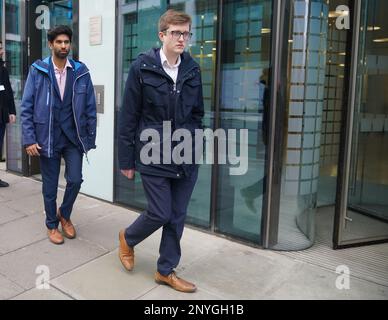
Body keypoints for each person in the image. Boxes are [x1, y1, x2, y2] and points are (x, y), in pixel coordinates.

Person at [118, 9, 204, 293]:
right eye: (176, 33)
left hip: (185, 154)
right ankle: (128, 238)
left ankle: (165, 270)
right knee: (160, 212)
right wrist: (126, 159)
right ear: (162, 35)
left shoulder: (192, 69)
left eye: (186, 33)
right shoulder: (142, 67)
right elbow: (129, 116)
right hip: (152, 152)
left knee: (177, 215)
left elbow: (198, 114)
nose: (182, 38)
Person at [20, 25, 97, 245]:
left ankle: (64, 213)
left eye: (66, 42)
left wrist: (89, 138)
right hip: (47, 137)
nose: (63, 46)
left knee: (75, 179)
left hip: (73, 138)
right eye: (59, 42)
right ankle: (52, 225)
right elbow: (26, 107)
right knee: (50, 186)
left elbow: (90, 107)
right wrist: (29, 138)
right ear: (51, 44)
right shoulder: (39, 70)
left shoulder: (81, 71)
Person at [0, 40, 16, 187]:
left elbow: (9, 91)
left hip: (1, 114)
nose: (2, 51)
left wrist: (12, 111)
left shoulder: (3, 69)